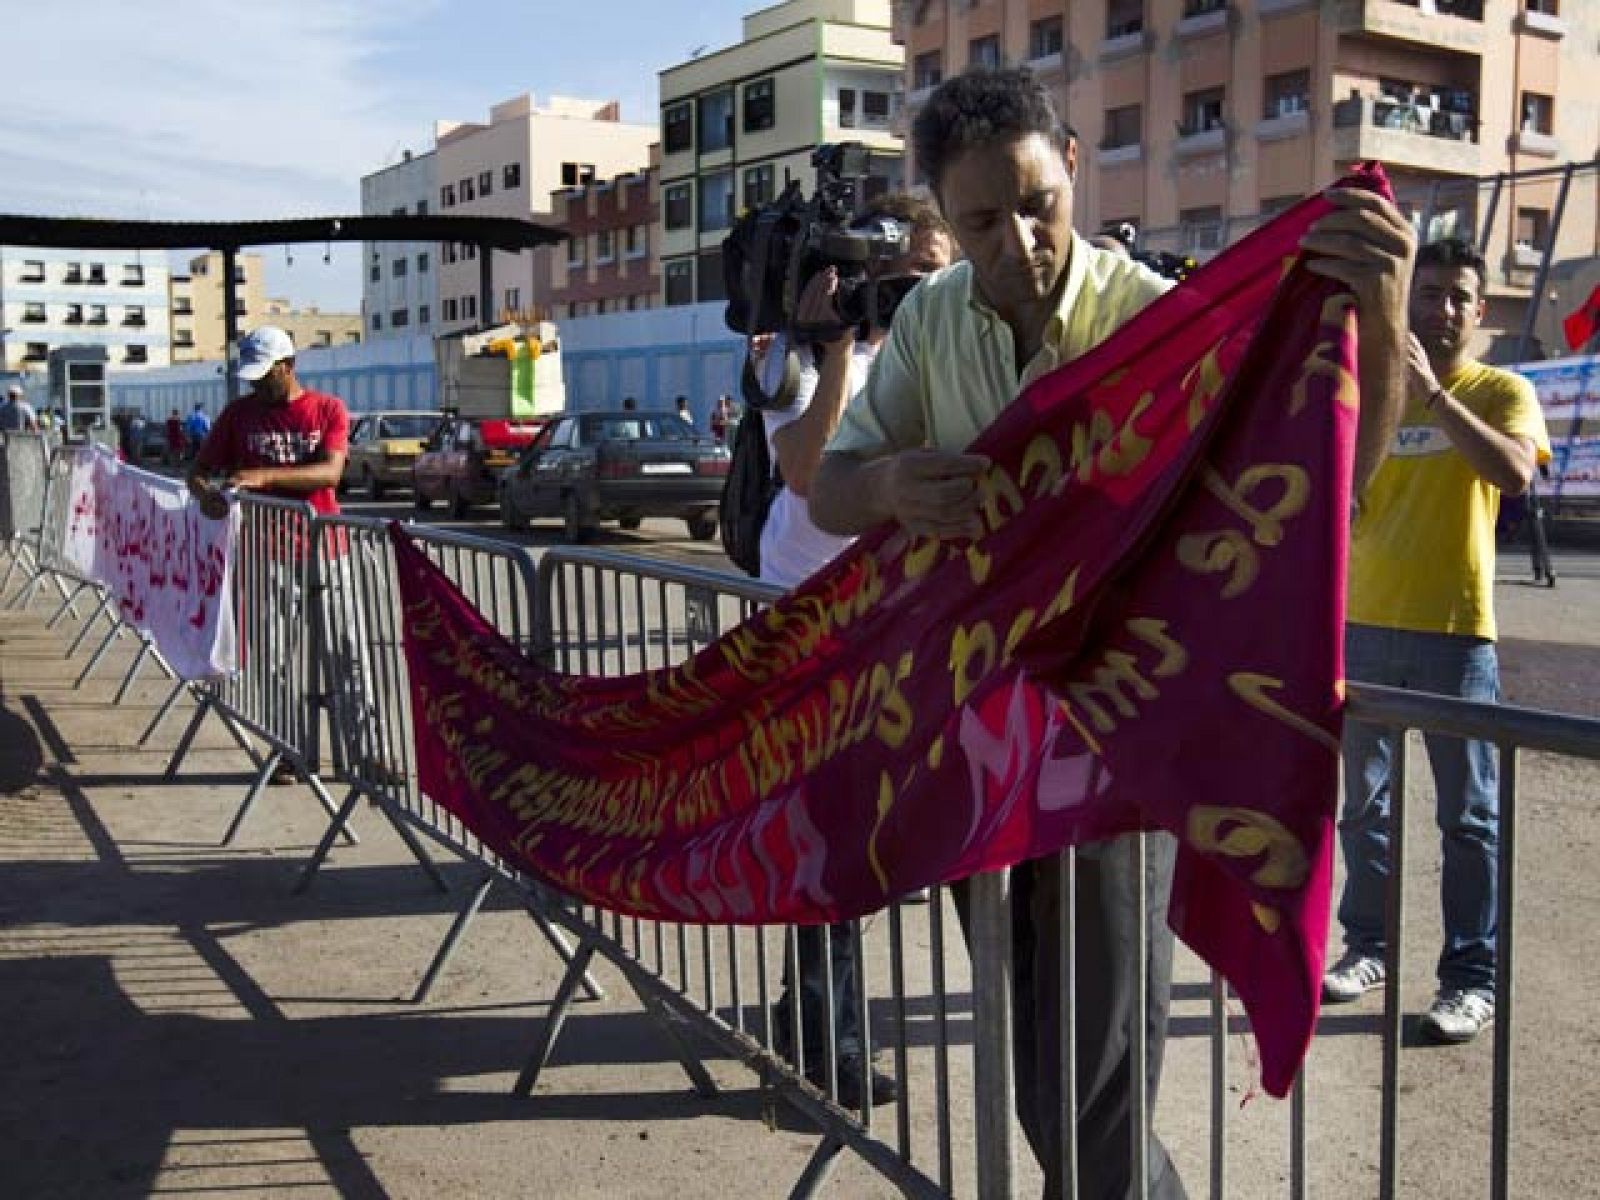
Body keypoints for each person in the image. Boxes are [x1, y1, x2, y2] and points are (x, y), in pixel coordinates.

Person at [809, 67, 1413, 1199]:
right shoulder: (931, 319)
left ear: (1074, 167)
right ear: (941, 215)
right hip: (979, 745)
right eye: (982, 220)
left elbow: (1321, 494)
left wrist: (1377, 320)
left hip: (1109, 752)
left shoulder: (1157, 322)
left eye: (1037, 204)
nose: (1020, 241)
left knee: (1090, 1093)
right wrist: (892, 482)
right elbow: (826, 490)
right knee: (1048, 1080)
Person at [1323, 238, 1551, 1044]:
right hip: (1365, 634)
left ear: (1480, 311)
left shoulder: (1502, 390)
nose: (1441, 310)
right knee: (1366, 810)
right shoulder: (1371, 393)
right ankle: (1368, 947)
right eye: (1428, 295)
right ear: (1405, 301)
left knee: (1470, 822)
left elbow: (1516, 474)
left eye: (1458, 297)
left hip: (1456, 641)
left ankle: (1469, 978)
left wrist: (1437, 398)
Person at [763, 193, 955, 1109]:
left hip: (898, 627)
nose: (916, 289)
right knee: (832, 840)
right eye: (901, 275)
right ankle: (827, 1041)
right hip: (805, 628)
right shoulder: (791, 353)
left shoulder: (951, 344)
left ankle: (801, 1010)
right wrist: (836, 343)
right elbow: (807, 471)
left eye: (931, 273)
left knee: (883, 838)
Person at [186, 326, 355, 784]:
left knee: (347, 653)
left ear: (289, 366)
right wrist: (206, 496)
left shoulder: (327, 409)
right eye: (252, 379)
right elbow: (197, 472)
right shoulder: (237, 415)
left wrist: (262, 477)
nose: (257, 387)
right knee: (273, 659)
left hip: (326, 550)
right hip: (264, 553)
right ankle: (289, 751)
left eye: (265, 377)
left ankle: (364, 752)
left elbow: (329, 473)